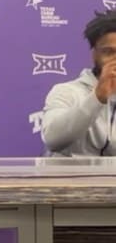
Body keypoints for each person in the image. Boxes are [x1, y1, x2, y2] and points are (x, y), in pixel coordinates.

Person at [42, 9, 116, 156]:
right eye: (108, 52)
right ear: (94, 54)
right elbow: (53, 140)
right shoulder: (66, 91)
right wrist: (97, 97)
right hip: (69, 179)